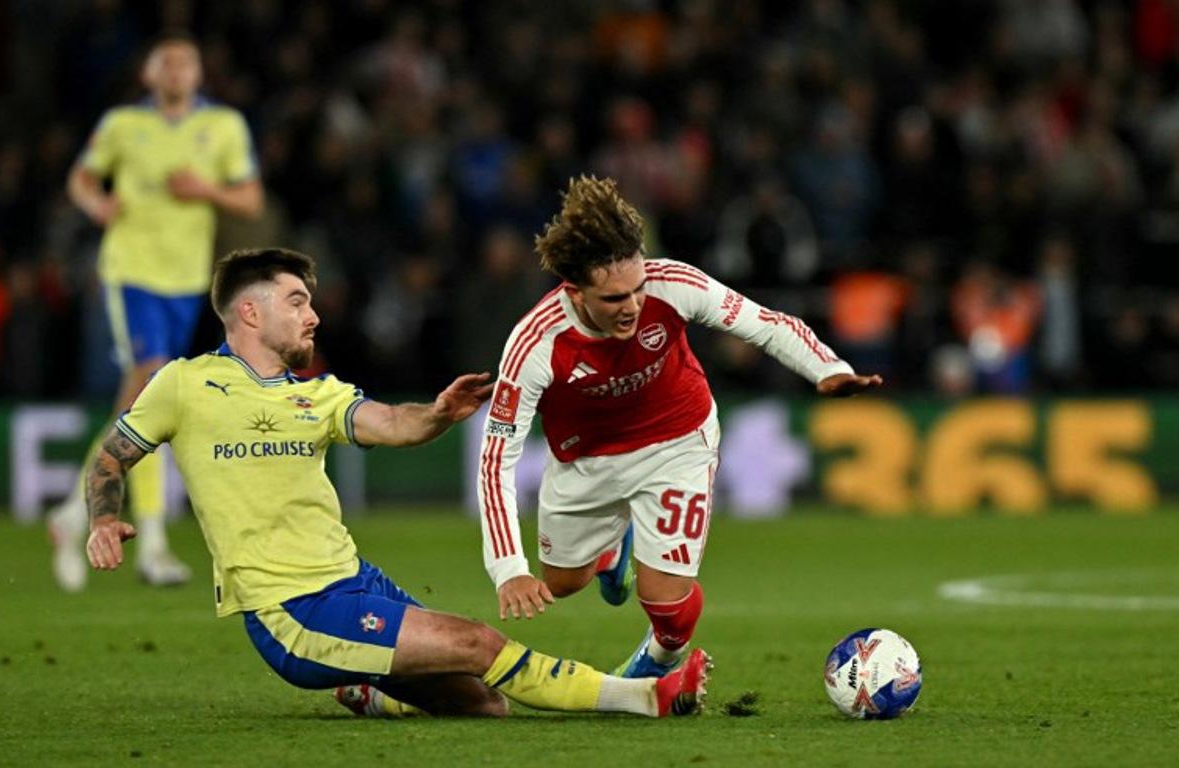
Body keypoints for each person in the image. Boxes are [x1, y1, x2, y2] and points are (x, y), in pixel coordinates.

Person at [83, 247, 710, 719]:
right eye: (297, 300)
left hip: (355, 580)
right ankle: (644, 695)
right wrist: (103, 519)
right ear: (250, 310)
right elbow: (110, 459)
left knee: (484, 703)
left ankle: (366, 690)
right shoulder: (184, 385)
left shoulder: (316, 396)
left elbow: (390, 424)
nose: (314, 315)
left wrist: (436, 414)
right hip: (292, 610)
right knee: (477, 641)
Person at [478, 176, 881, 678]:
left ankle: (658, 661)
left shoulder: (674, 284)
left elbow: (766, 323)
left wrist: (827, 368)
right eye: (613, 299)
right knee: (560, 582)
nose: (632, 306)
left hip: (677, 443)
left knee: (665, 604)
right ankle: (613, 552)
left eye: (637, 289)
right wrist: (509, 569)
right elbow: (496, 461)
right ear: (576, 293)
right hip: (585, 461)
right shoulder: (535, 343)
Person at [50, 32, 264, 590]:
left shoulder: (223, 128)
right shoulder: (124, 125)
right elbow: (81, 176)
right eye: (164, 62)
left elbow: (250, 198)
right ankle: (150, 544)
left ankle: (76, 513)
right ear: (148, 74)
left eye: (185, 62)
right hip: (131, 272)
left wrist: (206, 191)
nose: (174, 70)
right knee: (150, 383)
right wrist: (96, 202)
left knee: (148, 400)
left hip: (187, 278)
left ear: (199, 74)